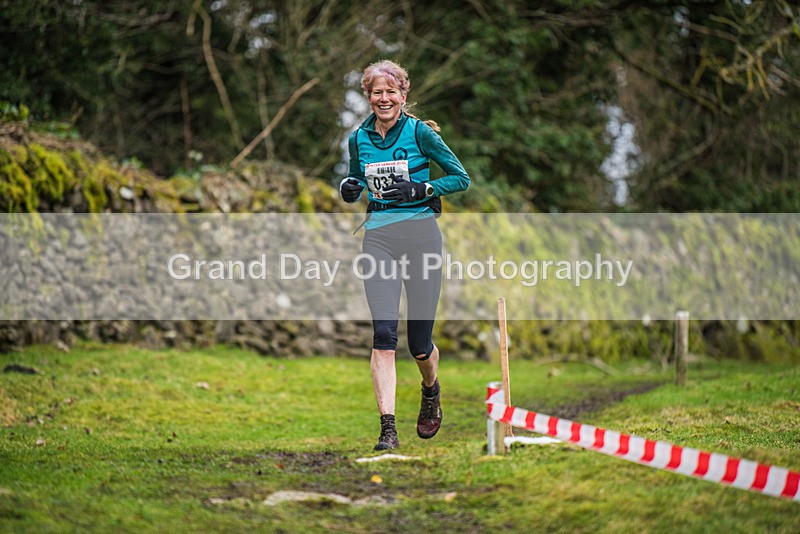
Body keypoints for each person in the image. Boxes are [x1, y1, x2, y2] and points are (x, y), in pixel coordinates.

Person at [339, 59, 470, 450]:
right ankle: (388, 430)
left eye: (390, 92)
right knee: (383, 334)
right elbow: (356, 179)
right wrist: (350, 187)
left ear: (403, 95)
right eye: (376, 92)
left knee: (418, 344)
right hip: (378, 239)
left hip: (421, 239)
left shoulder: (419, 134)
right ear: (368, 96)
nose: (384, 98)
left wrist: (422, 189)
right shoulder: (357, 139)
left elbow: (460, 177)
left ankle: (430, 389)